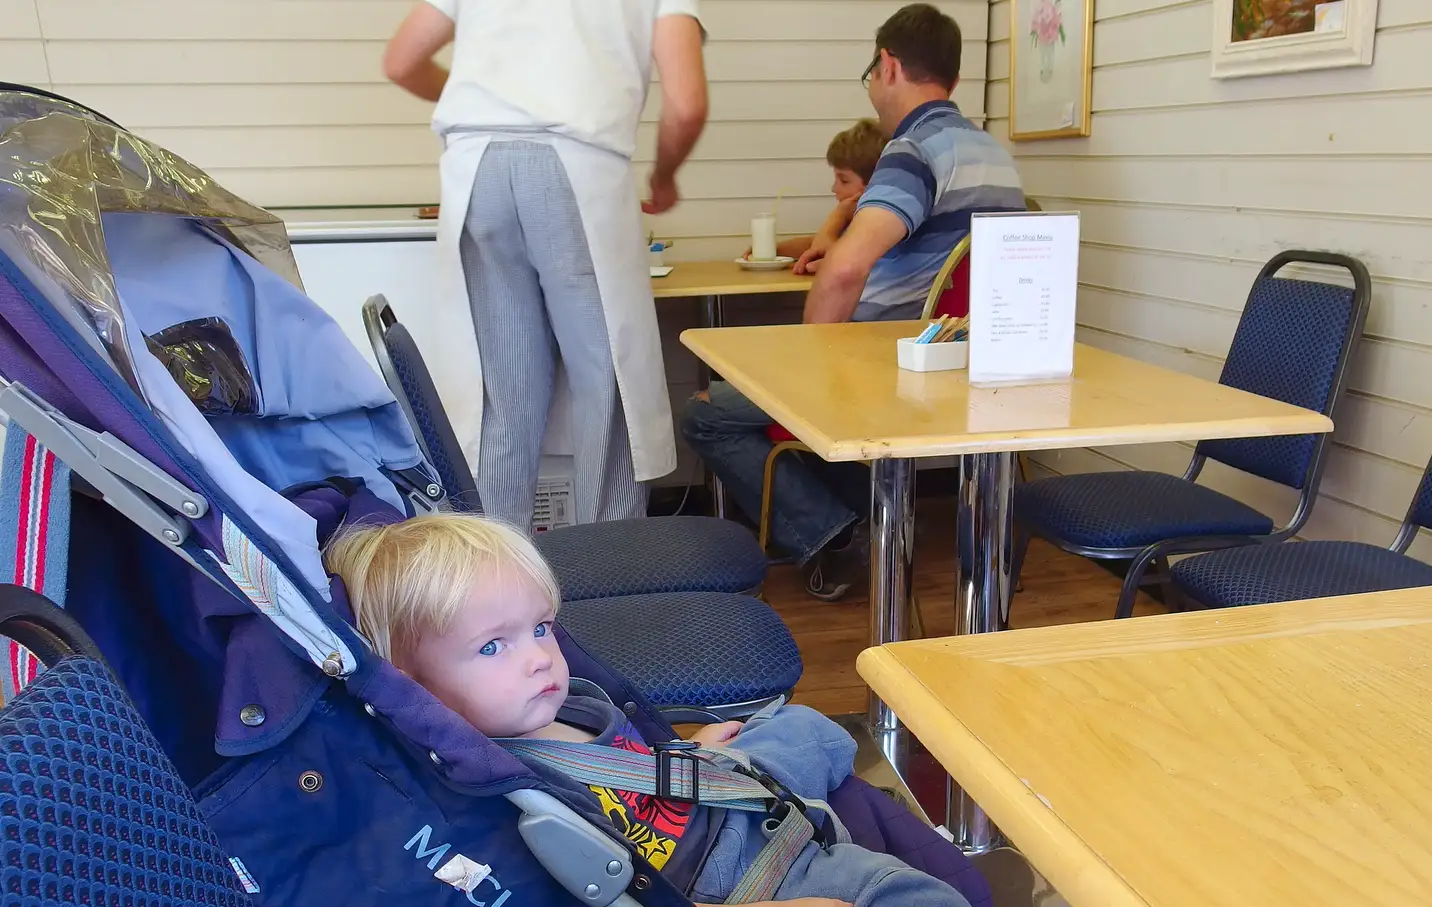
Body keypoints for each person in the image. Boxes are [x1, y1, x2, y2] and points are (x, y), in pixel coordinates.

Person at [324, 512, 1129, 907]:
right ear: (412, 684)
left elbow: (625, 763)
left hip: (697, 801)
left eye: (540, 628)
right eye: (493, 646)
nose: (539, 659)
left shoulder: (550, 711)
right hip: (732, 881)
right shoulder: (513, 803)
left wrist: (685, 760)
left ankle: (820, 793)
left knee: (808, 725)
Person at [682, 3, 1025, 600]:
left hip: (883, 366)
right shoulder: (993, 156)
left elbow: (844, 271)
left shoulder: (913, 150)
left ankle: (835, 533)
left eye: (871, 71)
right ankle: (859, 516)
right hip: (964, 362)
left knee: (707, 412)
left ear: (887, 66)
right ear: (955, 78)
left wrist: (806, 363)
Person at [382, 0, 709, 528]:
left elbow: (400, 61)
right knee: (608, 385)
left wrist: (496, 103)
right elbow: (687, 104)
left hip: (476, 170)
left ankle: (498, 578)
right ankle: (611, 572)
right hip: (577, 170)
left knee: (503, 392)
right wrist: (665, 174)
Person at [744, 119, 888, 274]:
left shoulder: (879, 228)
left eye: (844, 180)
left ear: (873, 186)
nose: (834, 188)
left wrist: (838, 215)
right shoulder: (854, 222)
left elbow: (820, 251)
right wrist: (771, 251)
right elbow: (813, 243)